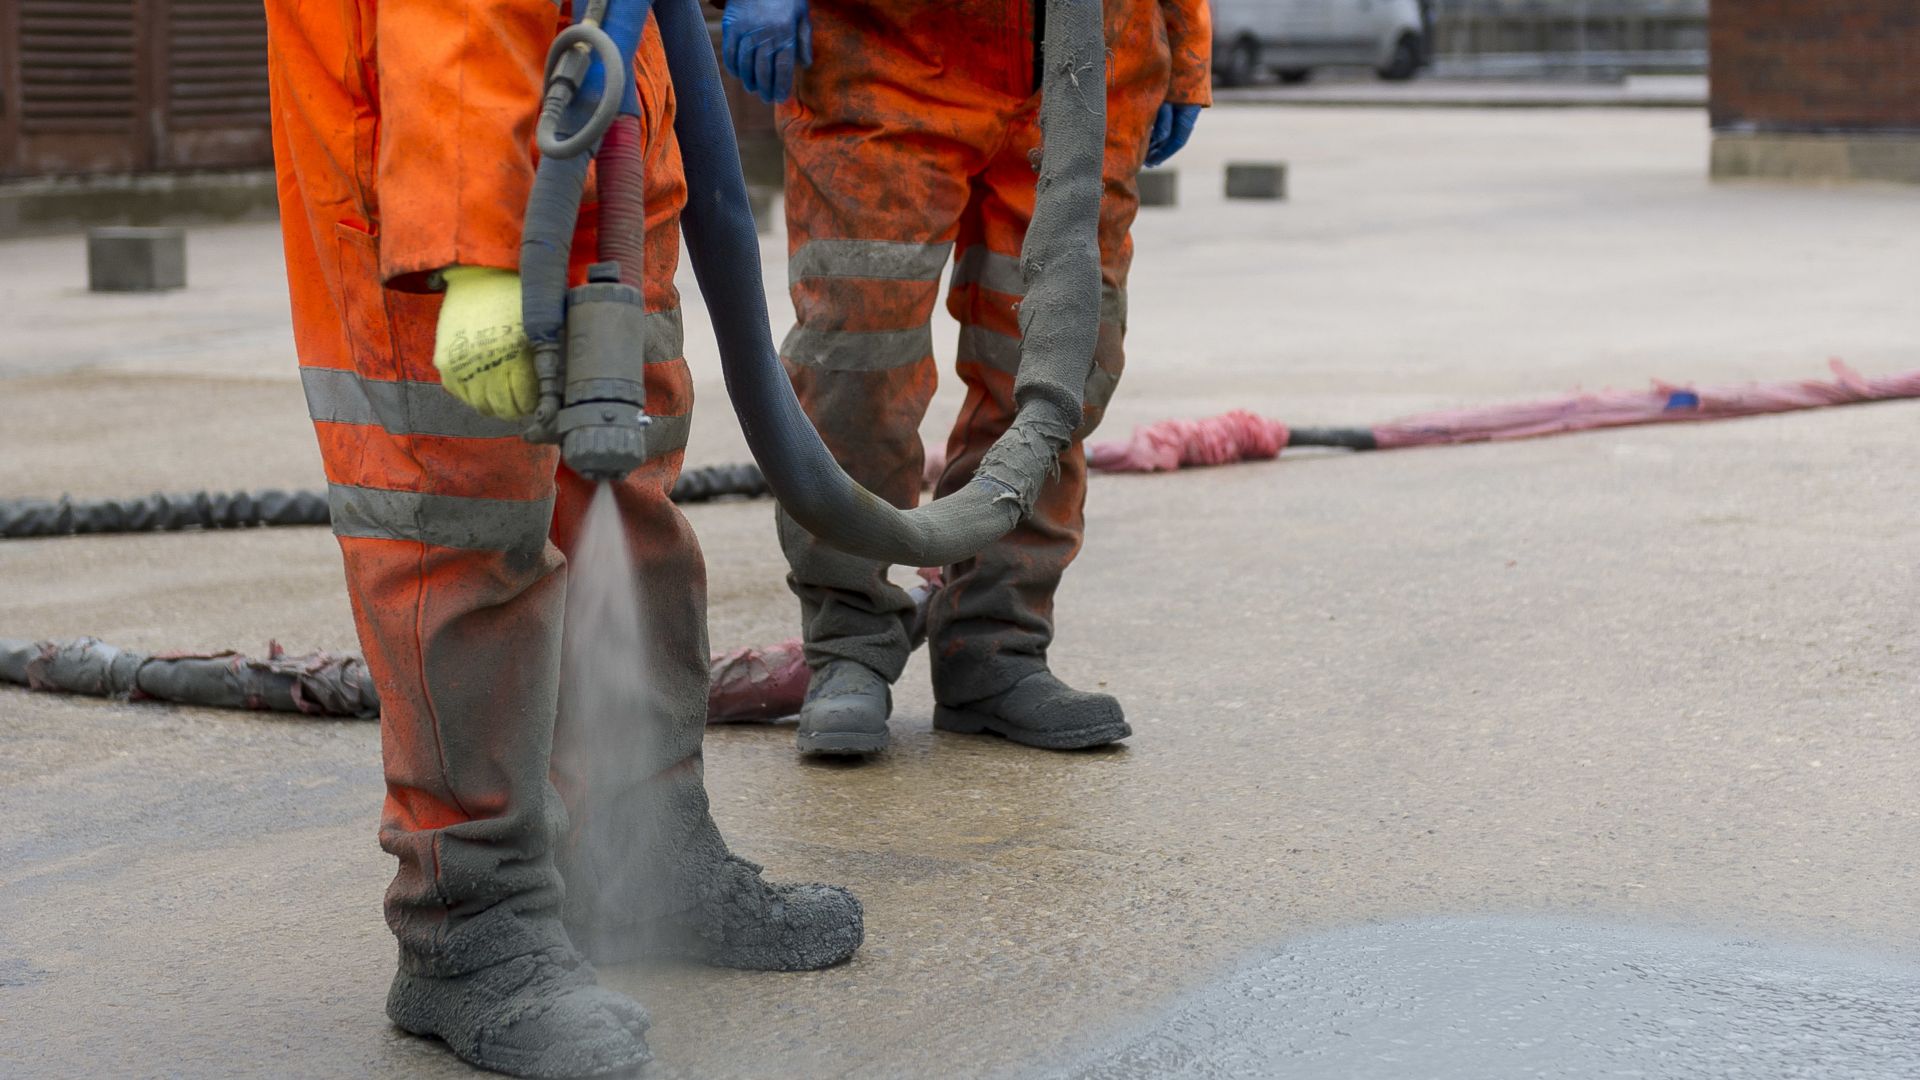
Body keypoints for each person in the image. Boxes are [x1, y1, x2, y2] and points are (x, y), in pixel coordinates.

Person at [262, 4, 863, 1075]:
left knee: (625, 490)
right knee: (462, 528)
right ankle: (470, 923)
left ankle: (648, 848)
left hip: (602, 123)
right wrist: (474, 246)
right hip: (431, 155)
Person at [721, 0, 1211, 755]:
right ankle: (848, 644)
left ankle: (996, 649)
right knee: (857, 355)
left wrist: (1186, 40)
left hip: (1088, 60)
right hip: (882, 50)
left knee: (1053, 364)